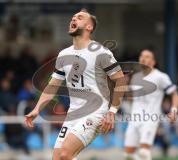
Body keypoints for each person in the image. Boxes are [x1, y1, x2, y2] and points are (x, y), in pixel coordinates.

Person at [25, 9, 125, 160]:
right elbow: (52, 86)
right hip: (73, 114)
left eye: (79, 17)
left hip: (96, 112)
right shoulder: (64, 55)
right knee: (58, 158)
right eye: (73, 17)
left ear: (89, 27)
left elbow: (121, 80)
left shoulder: (101, 52)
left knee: (65, 153)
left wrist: (112, 112)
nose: (73, 19)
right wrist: (37, 109)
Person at [124, 49, 178, 160]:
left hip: (150, 118)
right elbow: (131, 98)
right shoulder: (135, 77)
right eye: (141, 56)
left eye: (147, 56)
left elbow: (175, 95)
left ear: (153, 62)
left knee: (144, 152)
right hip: (134, 119)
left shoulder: (160, 77)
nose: (143, 58)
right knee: (128, 155)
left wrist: (174, 111)